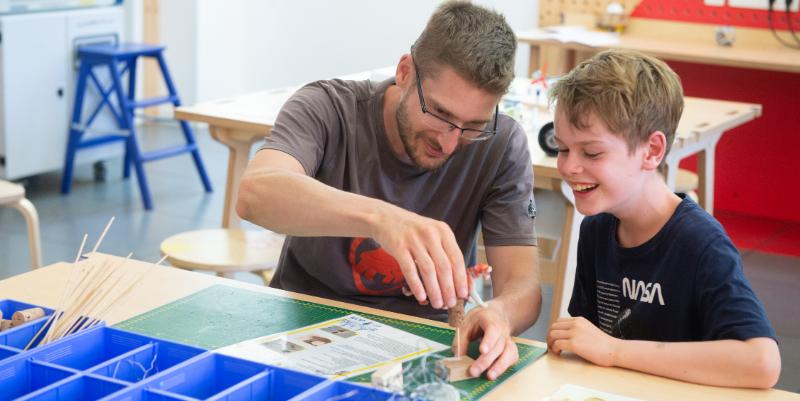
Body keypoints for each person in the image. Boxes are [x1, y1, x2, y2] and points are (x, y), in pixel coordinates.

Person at [236, 1, 541, 380]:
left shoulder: (500, 144)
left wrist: (500, 313)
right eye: (441, 115)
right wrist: (381, 218)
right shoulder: (328, 109)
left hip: (423, 344)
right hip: (302, 327)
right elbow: (255, 195)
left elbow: (523, 284)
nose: (449, 143)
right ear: (405, 72)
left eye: (473, 125)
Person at [545, 49, 781, 388]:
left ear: (652, 151)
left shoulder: (700, 243)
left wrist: (615, 351)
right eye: (562, 148)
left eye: (592, 152)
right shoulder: (596, 230)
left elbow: (762, 362)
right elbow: (589, 349)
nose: (568, 167)